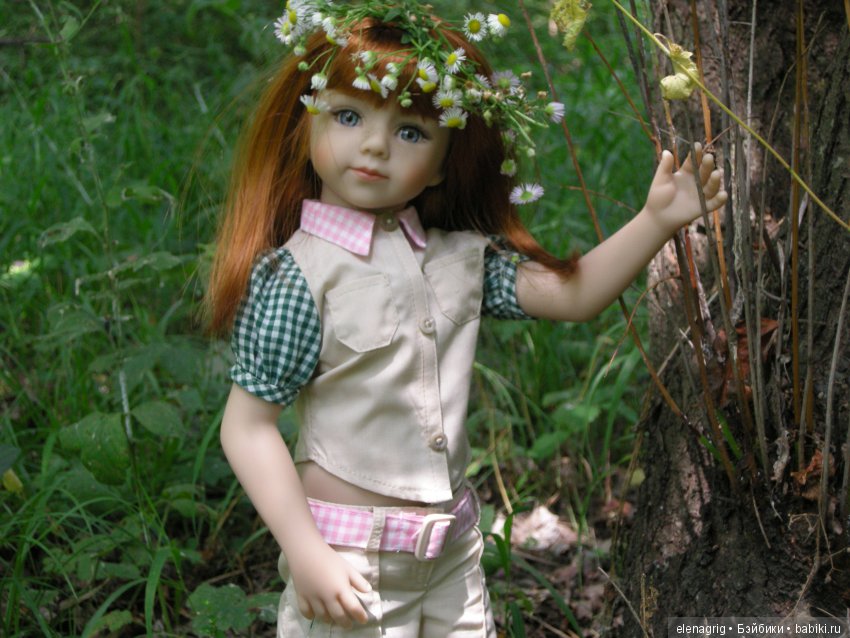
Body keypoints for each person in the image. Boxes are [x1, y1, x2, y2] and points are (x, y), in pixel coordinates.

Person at [205, 2, 727, 636]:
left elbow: (573, 297)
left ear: (445, 161)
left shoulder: (458, 258)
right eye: (348, 115)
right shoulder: (300, 276)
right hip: (350, 560)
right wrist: (305, 550)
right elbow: (248, 427)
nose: (374, 145)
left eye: (412, 132)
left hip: (452, 557)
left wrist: (657, 220)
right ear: (305, 121)